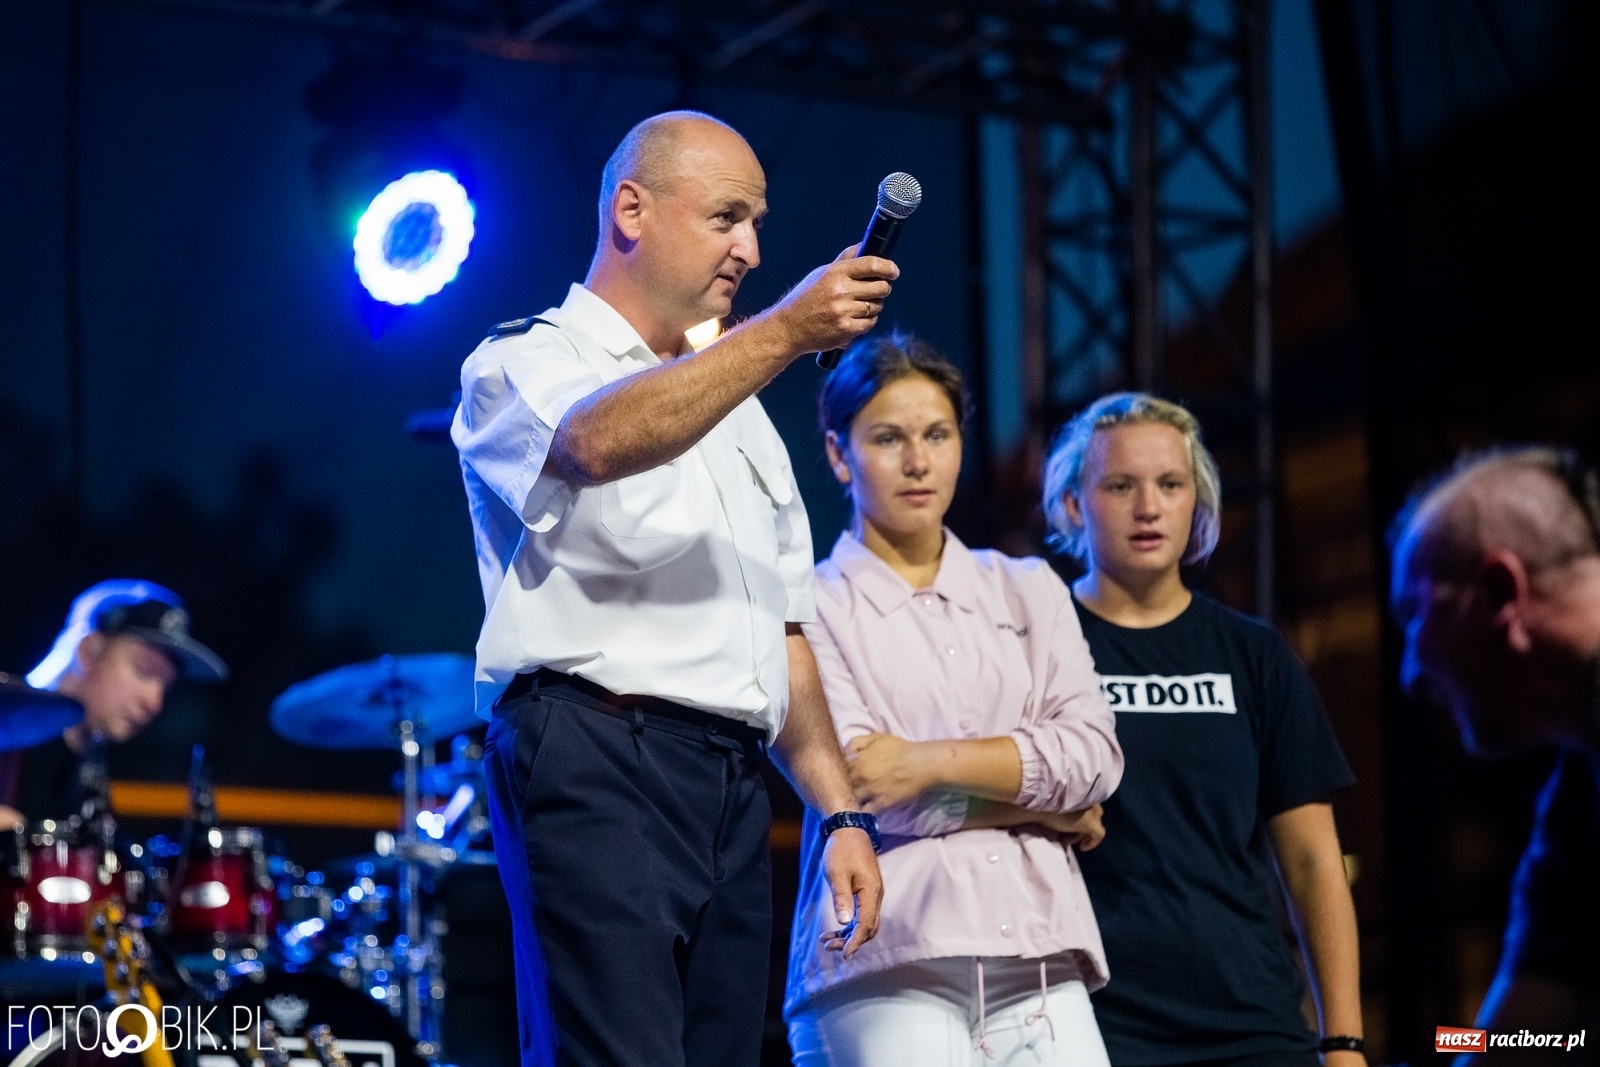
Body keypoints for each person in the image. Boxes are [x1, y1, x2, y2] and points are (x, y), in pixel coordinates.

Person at [451, 110, 889, 1067]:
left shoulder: (740, 412)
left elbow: (782, 630)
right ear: (633, 210)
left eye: (760, 222)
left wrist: (838, 808)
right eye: (729, 216)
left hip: (732, 780)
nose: (753, 248)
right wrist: (782, 334)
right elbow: (592, 442)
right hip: (599, 751)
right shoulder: (523, 358)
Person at [783, 334, 1124, 1067]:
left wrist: (926, 761)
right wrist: (1046, 805)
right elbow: (861, 789)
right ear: (840, 455)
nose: (918, 461)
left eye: (937, 434)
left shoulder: (1028, 586)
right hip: (881, 961)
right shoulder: (807, 604)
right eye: (888, 438)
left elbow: (1094, 758)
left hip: (1040, 953)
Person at [1041, 393, 1366, 1067]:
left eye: (1170, 483)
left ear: (1199, 502)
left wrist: (1343, 1039)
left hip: (1252, 1017)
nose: (1149, 506)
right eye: (1120, 485)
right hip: (1092, 1020)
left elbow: (1311, 862)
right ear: (1074, 503)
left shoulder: (1254, 654)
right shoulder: (1035, 642)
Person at [1388, 447, 1600, 1049]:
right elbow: (1535, 1040)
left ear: (1501, 589)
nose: (1410, 673)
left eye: (1414, 614)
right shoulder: (1575, 806)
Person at [0, 579, 228, 831]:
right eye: (144, 671)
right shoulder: (7, 735)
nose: (155, 703)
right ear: (89, 652)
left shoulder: (91, 770)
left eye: (166, 686)